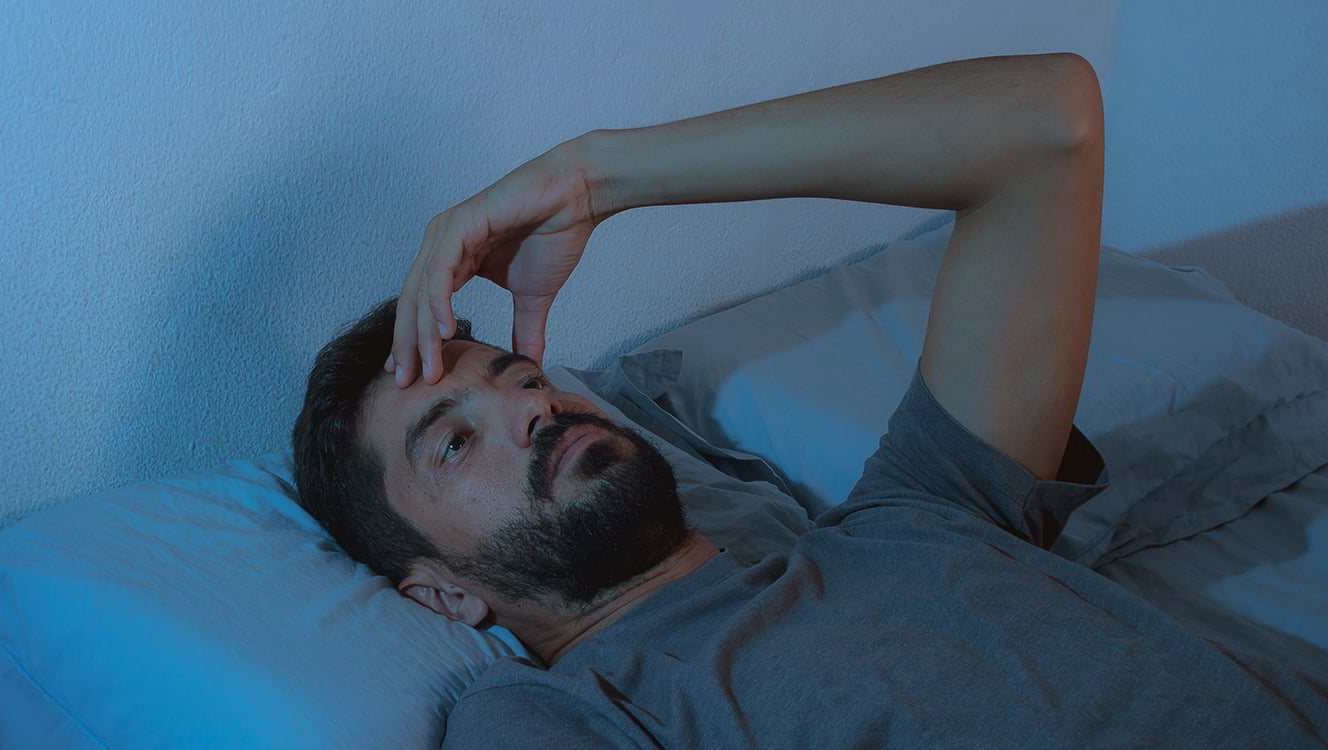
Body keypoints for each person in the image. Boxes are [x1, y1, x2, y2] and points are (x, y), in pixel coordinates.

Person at [293, 53, 1327, 747]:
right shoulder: (558, 714)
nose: (529, 408)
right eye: (452, 444)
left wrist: (590, 178)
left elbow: (1046, 122)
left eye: (519, 376)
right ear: (439, 595)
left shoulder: (922, 511)